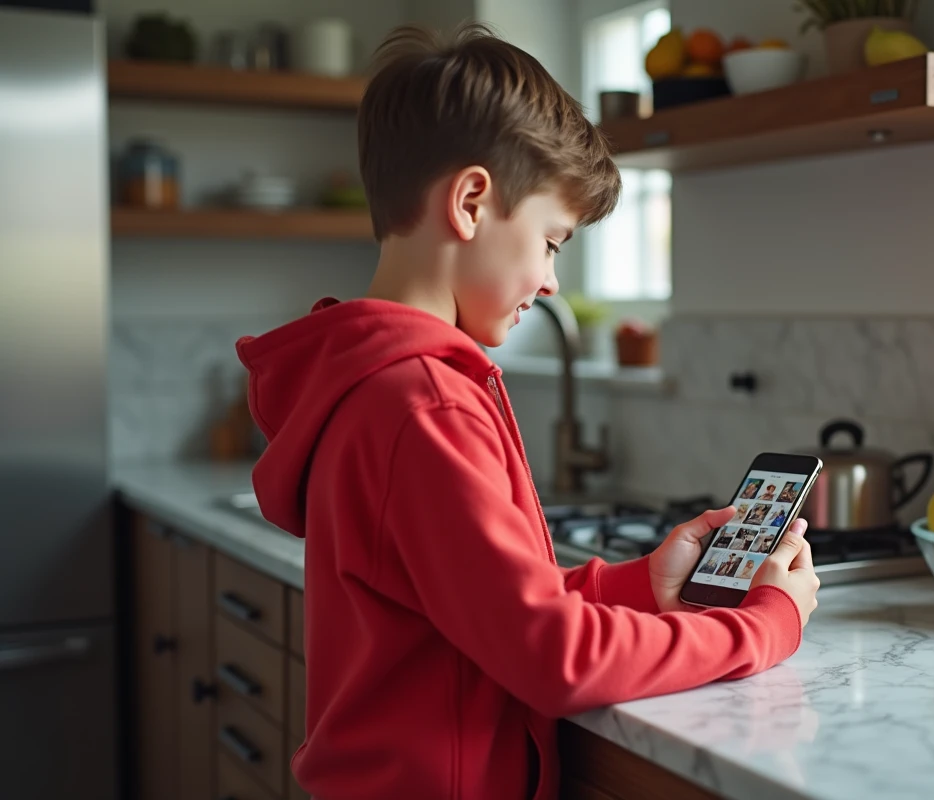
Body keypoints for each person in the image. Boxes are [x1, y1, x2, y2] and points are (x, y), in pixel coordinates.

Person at [235, 23, 820, 800]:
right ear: (472, 201)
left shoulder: (374, 382)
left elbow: (482, 612)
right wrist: (765, 626)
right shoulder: (427, 403)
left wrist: (645, 582)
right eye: (551, 240)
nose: (549, 280)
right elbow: (555, 659)